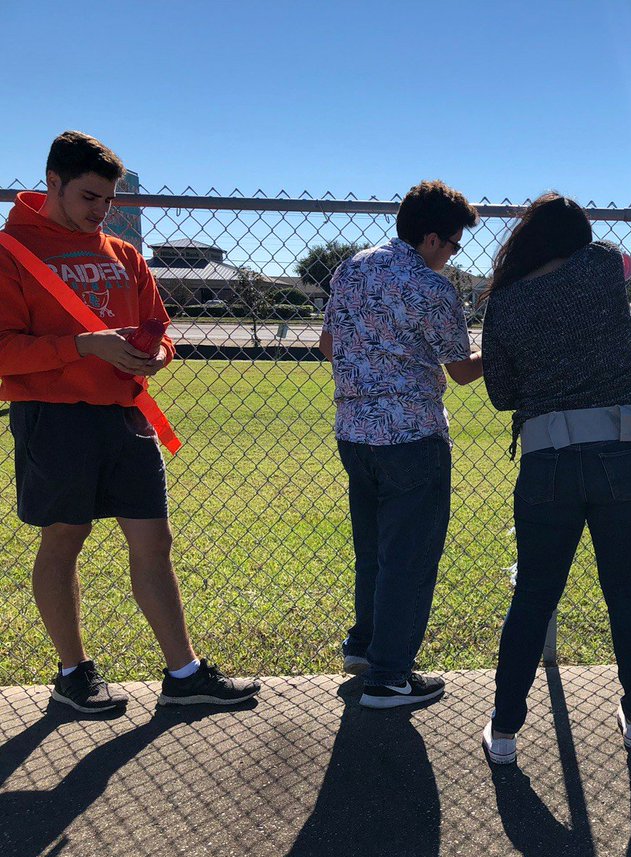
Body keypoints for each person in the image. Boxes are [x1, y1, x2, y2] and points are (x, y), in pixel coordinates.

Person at [0, 131, 261, 713]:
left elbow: (160, 329)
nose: (101, 211)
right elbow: (4, 351)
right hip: (55, 417)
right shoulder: (12, 251)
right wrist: (83, 346)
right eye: (90, 197)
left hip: (126, 416)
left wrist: (158, 353)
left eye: (109, 201)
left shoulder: (125, 255)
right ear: (54, 184)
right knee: (64, 538)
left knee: (154, 541)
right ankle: (72, 673)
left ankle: (184, 674)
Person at [479, 193, 631, 765]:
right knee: (627, 590)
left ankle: (505, 732)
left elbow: (501, 395)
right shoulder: (602, 267)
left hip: (548, 456)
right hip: (625, 449)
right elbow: (602, 253)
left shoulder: (504, 302)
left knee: (533, 596)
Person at [319, 179, 483, 709]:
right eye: (454, 245)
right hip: (412, 434)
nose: (453, 255)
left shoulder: (352, 269)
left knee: (373, 550)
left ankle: (365, 647)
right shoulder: (431, 287)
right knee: (409, 557)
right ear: (433, 239)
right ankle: (391, 676)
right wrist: (505, 353)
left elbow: (328, 344)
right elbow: (460, 371)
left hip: (354, 432)